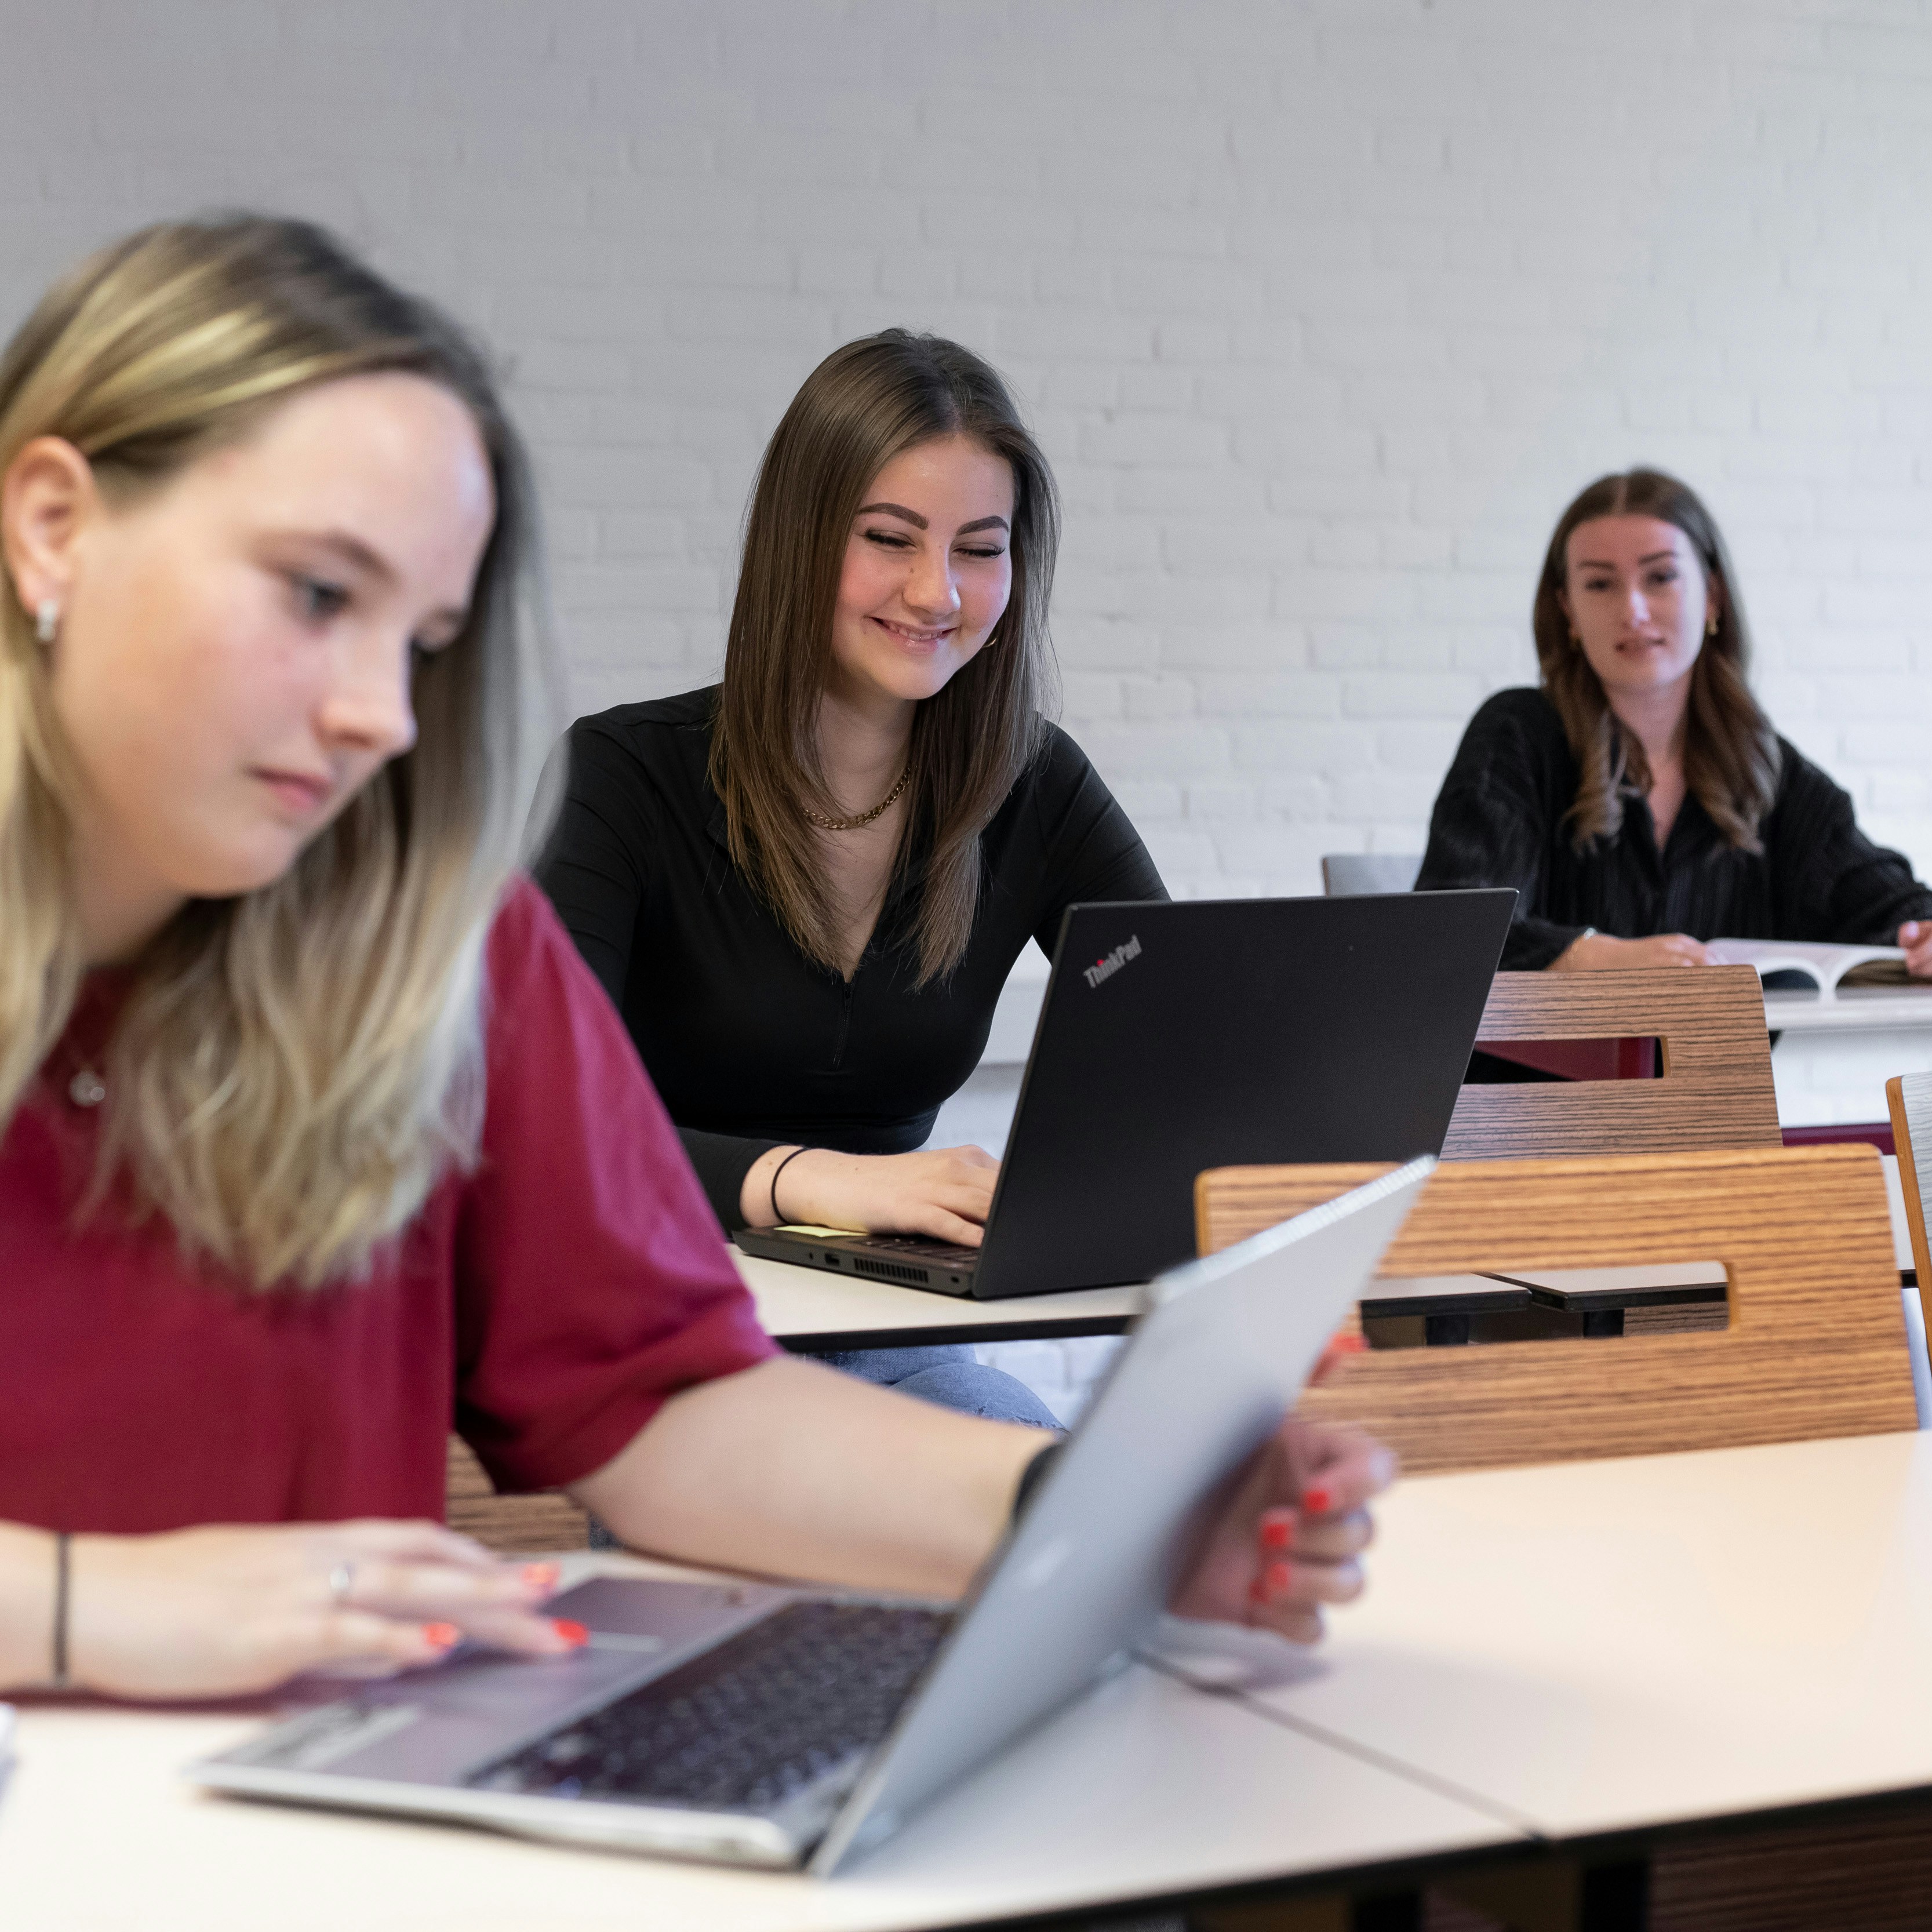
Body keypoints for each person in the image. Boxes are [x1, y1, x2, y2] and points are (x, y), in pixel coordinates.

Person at [0, 216, 1385, 1700]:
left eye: (425, 643)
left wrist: (1117, 1521)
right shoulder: (632, 785)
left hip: (319, 1811)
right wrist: (91, 1607)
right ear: (54, 525)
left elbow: (669, 1417)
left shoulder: (434, 957)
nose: (380, 718)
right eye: (321, 595)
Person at [536, 331, 1165, 1421]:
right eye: (890, 539)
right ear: (801, 537)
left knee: (1064, 1502)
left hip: (892, 1335)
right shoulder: (625, 776)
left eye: (980, 548)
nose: (936, 592)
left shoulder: (1036, 783)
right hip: (669, 1331)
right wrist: (821, 1180)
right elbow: (542, 1117)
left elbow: (1182, 1033)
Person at [1416, 467, 1932, 975]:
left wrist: (1923, 930)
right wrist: (1596, 955)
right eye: (1599, 584)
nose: (1632, 610)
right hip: (1533, 1064)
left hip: (1716, 1064)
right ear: (1567, 611)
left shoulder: (1761, 766)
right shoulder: (1516, 735)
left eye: (1659, 577)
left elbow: (1880, 900)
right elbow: (1447, 931)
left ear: (1711, 596)